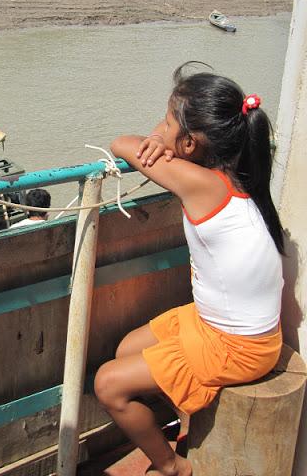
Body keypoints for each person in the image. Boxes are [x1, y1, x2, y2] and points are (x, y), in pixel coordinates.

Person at [94, 64, 284, 476]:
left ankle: (170, 466)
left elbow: (120, 142)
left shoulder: (204, 185)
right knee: (128, 347)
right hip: (217, 324)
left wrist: (147, 143)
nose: (158, 128)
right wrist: (164, 141)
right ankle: (187, 417)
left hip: (239, 346)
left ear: (190, 143)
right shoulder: (232, 175)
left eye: (166, 121)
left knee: (108, 384)